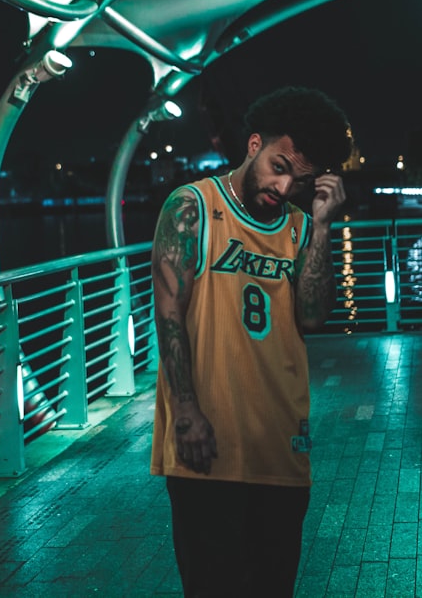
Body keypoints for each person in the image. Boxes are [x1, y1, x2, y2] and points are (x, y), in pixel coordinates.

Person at [149, 86, 352, 596]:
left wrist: (324, 228)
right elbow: (169, 316)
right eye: (278, 166)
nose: (283, 187)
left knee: (273, 587)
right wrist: (186, 412)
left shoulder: (301, 228)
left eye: (299, 181)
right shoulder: (191, 206)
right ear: (254, 144)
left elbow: (313, 318)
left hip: (280, 444)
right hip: (207, 444)